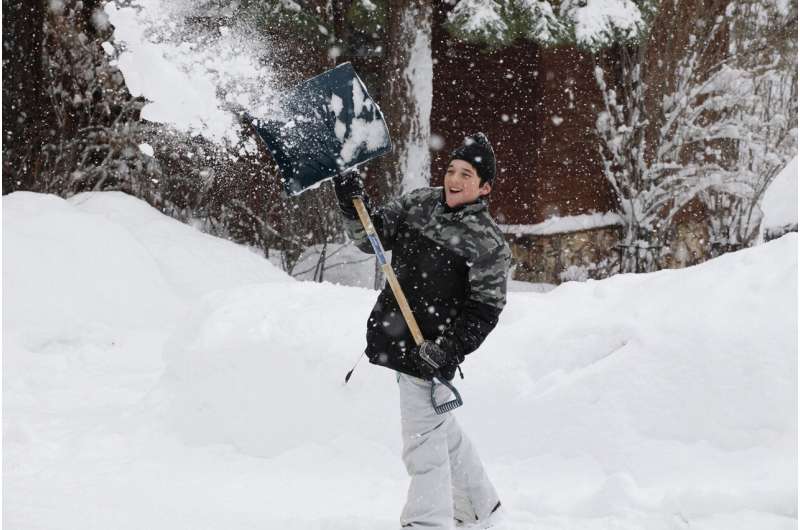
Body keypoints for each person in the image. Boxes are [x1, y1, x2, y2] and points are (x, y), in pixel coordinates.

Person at [333, 133, 511, 529]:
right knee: (437, 428)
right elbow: (370, 238)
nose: (454, 178)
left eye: (467, 174)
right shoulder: (419, 204)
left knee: (423, 442)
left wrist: (449, 349)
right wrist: (351, 203)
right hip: (400, 337)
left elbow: (485, 309)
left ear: (484, 187)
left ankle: (427, 522)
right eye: (451, 169)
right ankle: (481, 506)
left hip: (429, 350)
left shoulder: (488, 242)